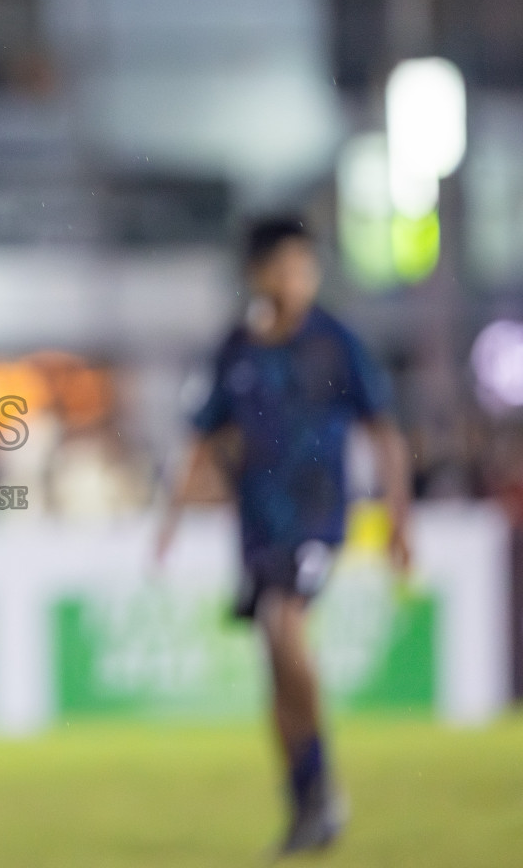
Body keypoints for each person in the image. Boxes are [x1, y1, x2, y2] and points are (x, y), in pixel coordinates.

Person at [155, 216, 411, 856]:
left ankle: (323, 783)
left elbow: (385, 432)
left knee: (283, 623)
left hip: (320, 520)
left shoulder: (336, 344)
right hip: (258, 527)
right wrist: (170, 522)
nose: (301, 280)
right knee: (274, 668)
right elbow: (199, 440)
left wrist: (400, 522)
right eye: (289, 267)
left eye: (307, 268)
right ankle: (304, 804)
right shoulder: (236, 350)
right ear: (259, 274)